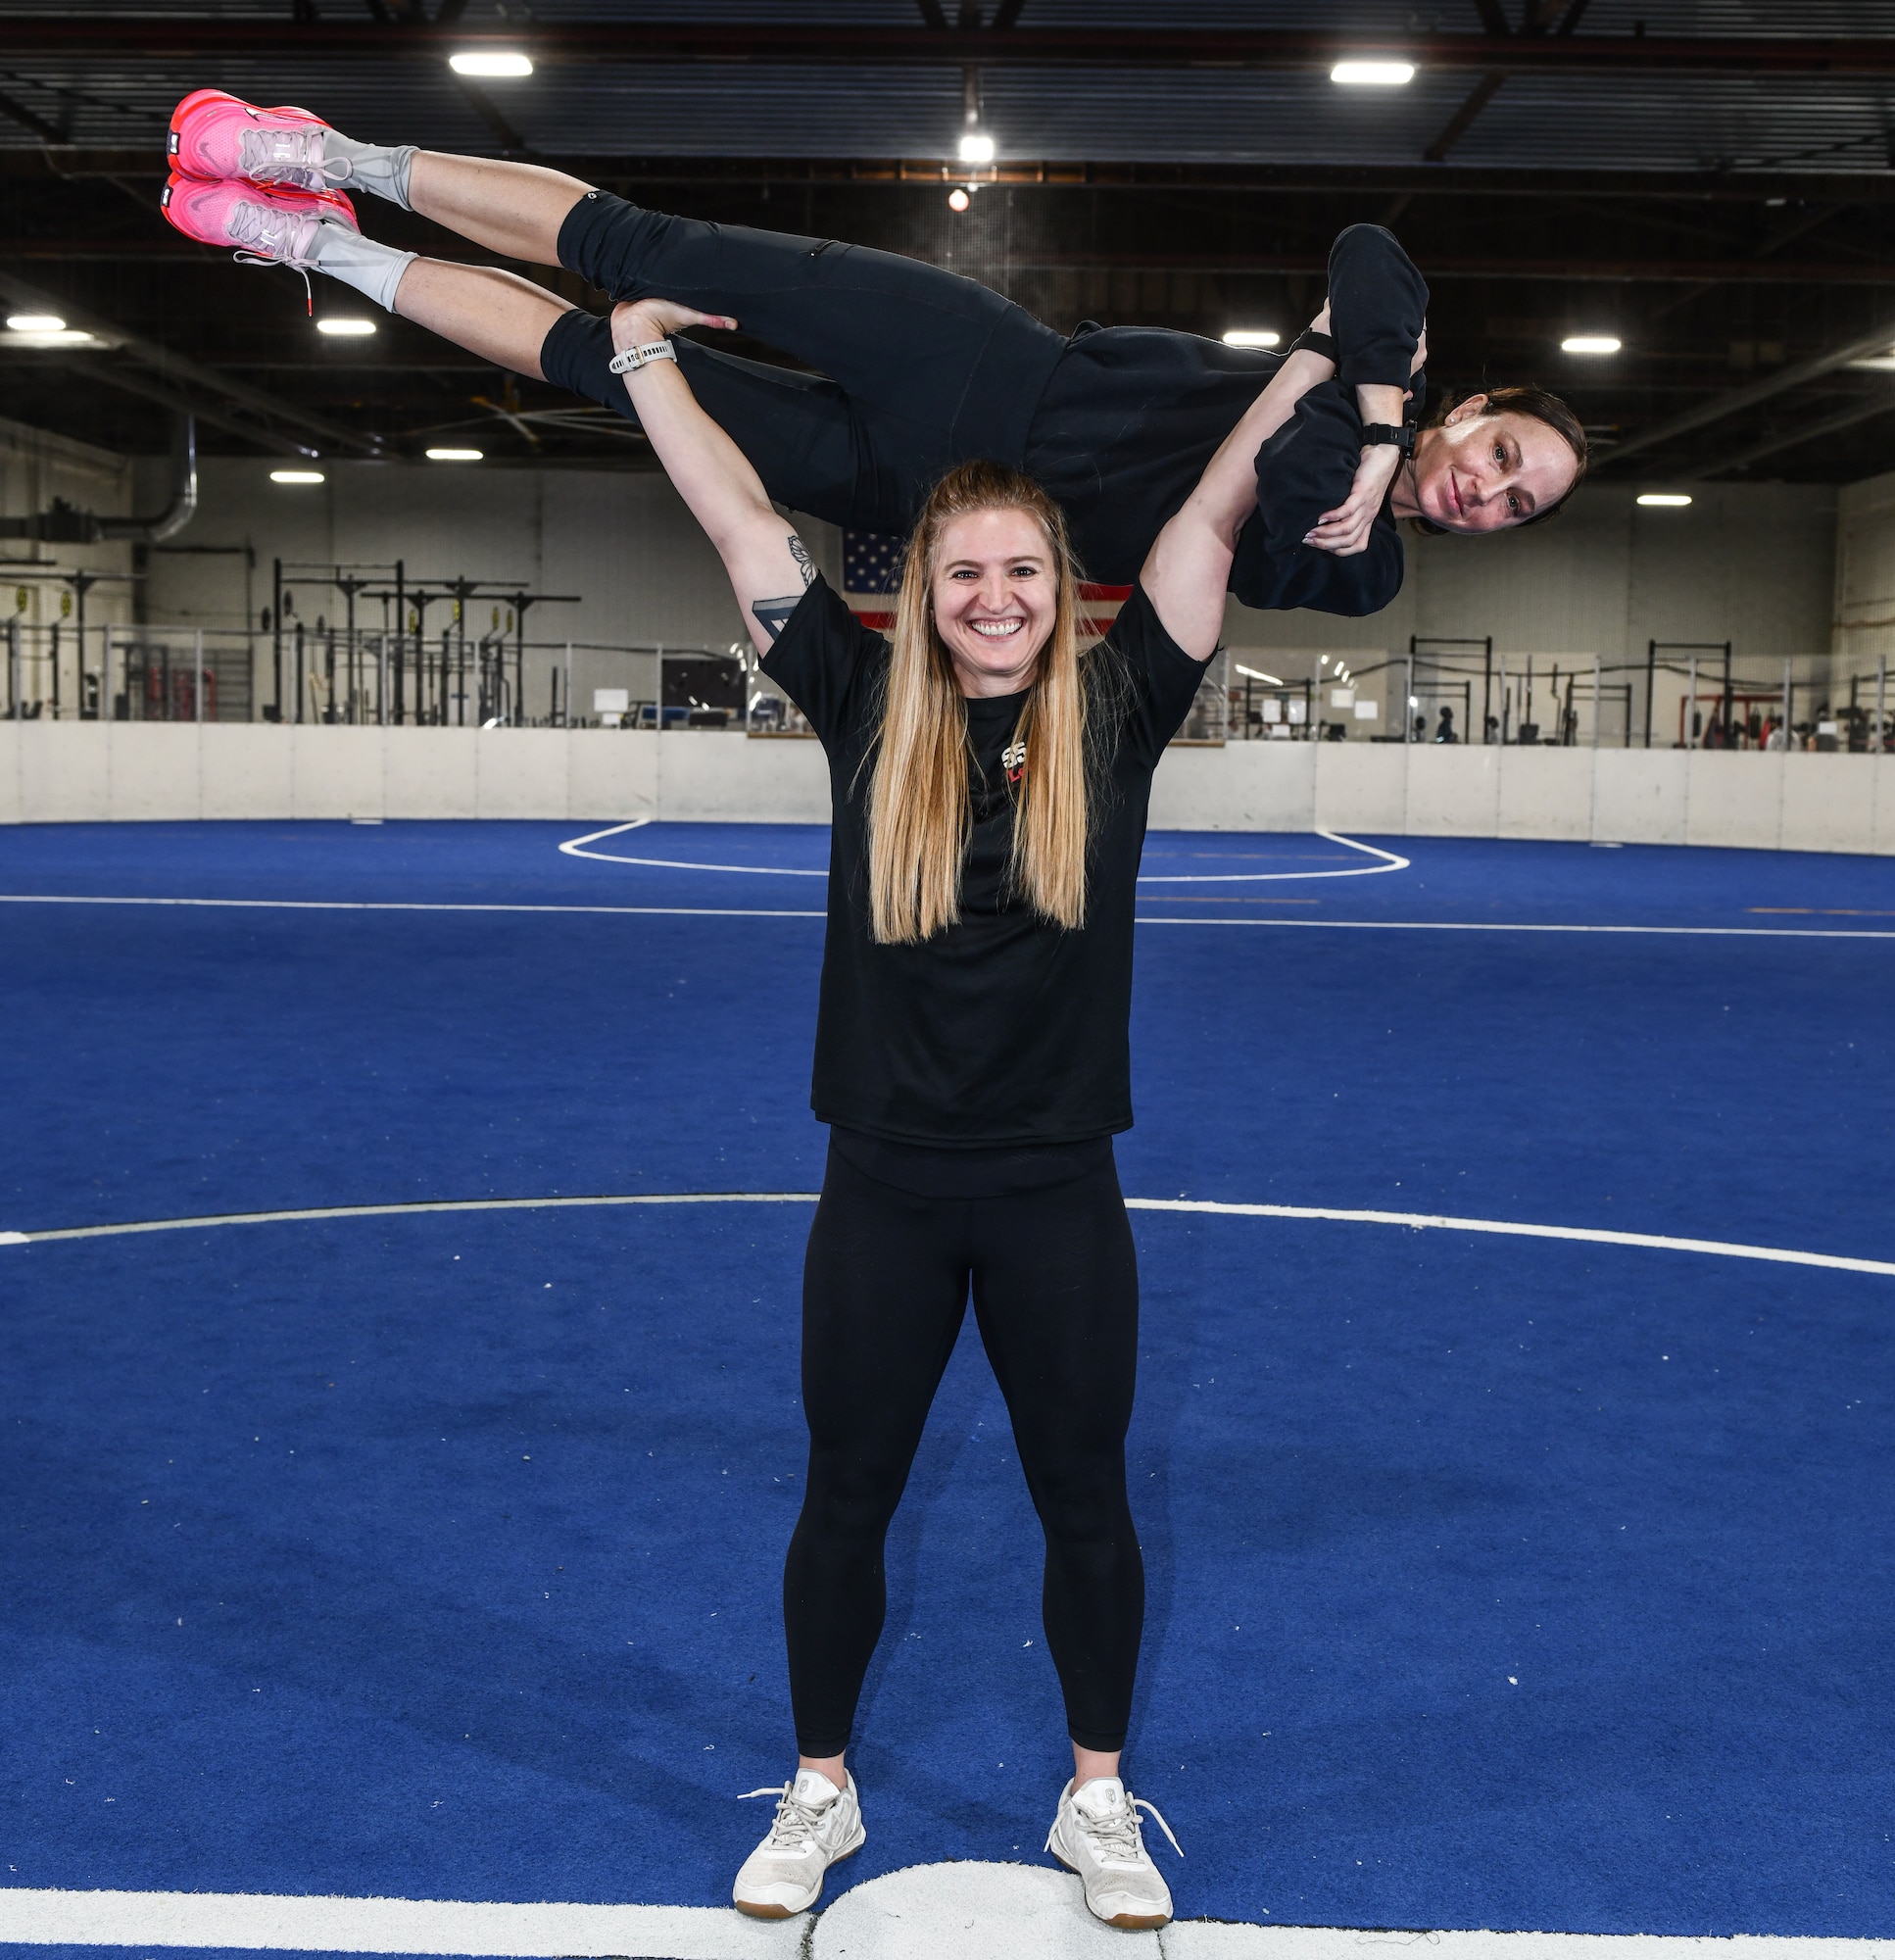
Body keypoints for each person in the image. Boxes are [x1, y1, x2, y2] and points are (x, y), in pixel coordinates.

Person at [159, 91, 1587, 625]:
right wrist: (1382, 420)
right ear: (1475, 414)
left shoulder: (1364, 569)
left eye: (1519, 507)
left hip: (929, 504)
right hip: (982, 358)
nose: (1495, 494)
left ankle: (325, 252)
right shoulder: (1383, 385)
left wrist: (1339, 394)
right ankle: (327, 152)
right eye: (1507, 457)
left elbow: (1258, 518)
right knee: (640, 250)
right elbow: (1368, 251)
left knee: (606, 369)